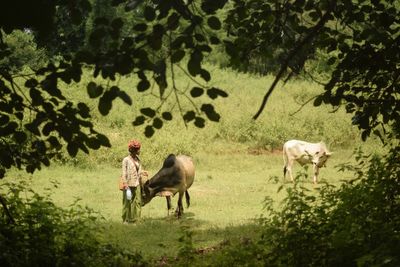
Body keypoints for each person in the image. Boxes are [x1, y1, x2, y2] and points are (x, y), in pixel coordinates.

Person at [121, 139, 147, 224]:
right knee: (127, 202)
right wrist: (125, 184)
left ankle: (137, 220)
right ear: (134, 150)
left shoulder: (138, 160)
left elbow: (138, 171)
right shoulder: (126, 160)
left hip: (137, 185)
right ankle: (126, 220)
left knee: (138, 202)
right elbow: (124, 173)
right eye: (138, 149)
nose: (139, 150)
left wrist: (142, 172)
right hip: (128, 185)